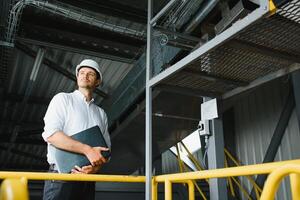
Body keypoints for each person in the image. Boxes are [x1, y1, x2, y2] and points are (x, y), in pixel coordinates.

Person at [42, 59, 111, 200]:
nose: (85, 76)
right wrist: (88, 150)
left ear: (97, 81)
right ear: (77, 76)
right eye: (82, 72)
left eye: (90, 74)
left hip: (88, 179)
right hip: (61, 178)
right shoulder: (62, 99)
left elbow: (106, 151)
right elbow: (52, 135)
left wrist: (95, 168)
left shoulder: (101, 113)